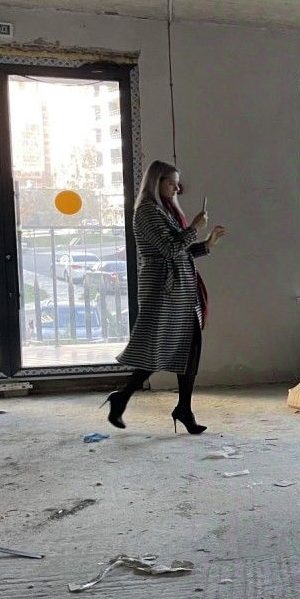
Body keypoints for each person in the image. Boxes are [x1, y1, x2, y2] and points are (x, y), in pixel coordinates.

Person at [102, 160, 227, 434]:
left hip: (181, 292)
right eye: (172, 183)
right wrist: (194, 228)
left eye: (177, 184)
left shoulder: (166, 211)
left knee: (189, 347)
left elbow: (180, 252)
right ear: (156, 182)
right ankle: (123, 397)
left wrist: (207, 244)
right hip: (163, 292)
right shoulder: (147, 212)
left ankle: (183, 408)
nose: (176, 189)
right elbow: (170, 250)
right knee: (157, 350)